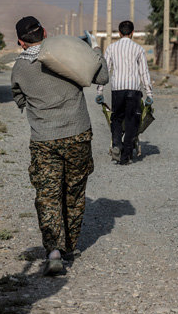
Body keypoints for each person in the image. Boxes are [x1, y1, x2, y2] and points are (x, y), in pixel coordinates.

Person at [11, 16, 108, 275]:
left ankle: (54, 251)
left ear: (20, 41)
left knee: (47, 194)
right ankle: (70, 246)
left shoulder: (19, 68)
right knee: (74, 191)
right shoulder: (67, 53)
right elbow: (103, 75)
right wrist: (95, 49)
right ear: (44, 31)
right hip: (78, 134)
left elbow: (19, 99)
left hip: (44, 140)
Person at [95, 20, 153, 165]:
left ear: (119, 33)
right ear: (132, 33)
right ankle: (126, 156)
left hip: (117, 89)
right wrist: (149, 94)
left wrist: (100, 91)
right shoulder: (138, 49)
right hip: (133, 89)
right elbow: (143, 72)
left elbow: (105, 72)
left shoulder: (111, 48)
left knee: (116, 118)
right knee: (132, 121)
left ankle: (116, 145)